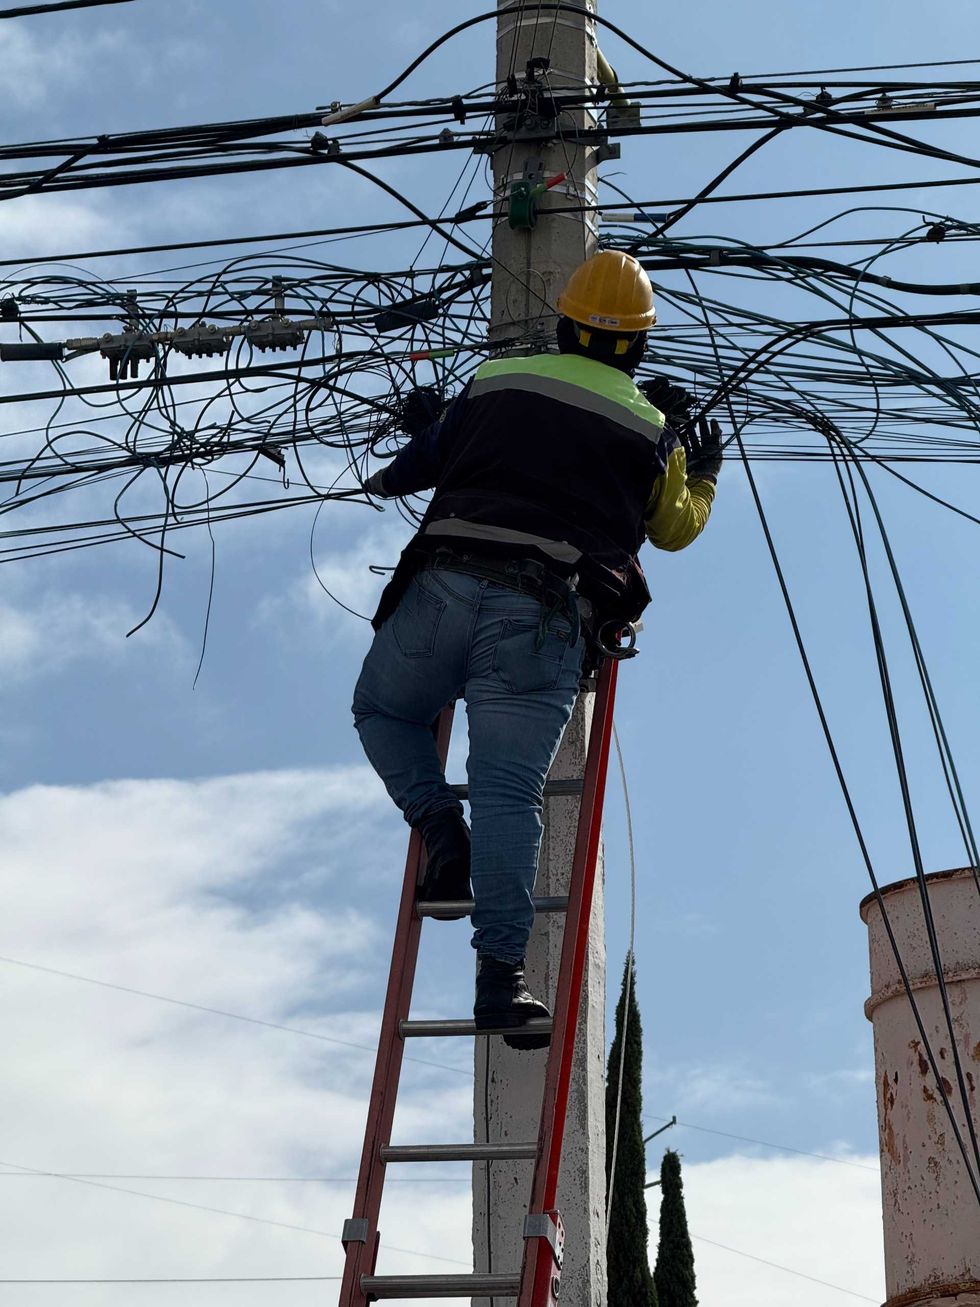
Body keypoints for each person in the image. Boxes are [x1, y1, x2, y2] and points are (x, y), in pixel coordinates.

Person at [351, 250, 721, 1049]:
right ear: (639, 349)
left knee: (383, 711)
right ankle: (501, 982)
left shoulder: (494, 380)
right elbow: (674, 529)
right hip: (544, 615)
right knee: (510, 793)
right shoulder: (653, 428)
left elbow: (417, 468)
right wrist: (706, 472)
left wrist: (401, 458)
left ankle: (441, 832)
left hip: (441, 590)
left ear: (561, 321)